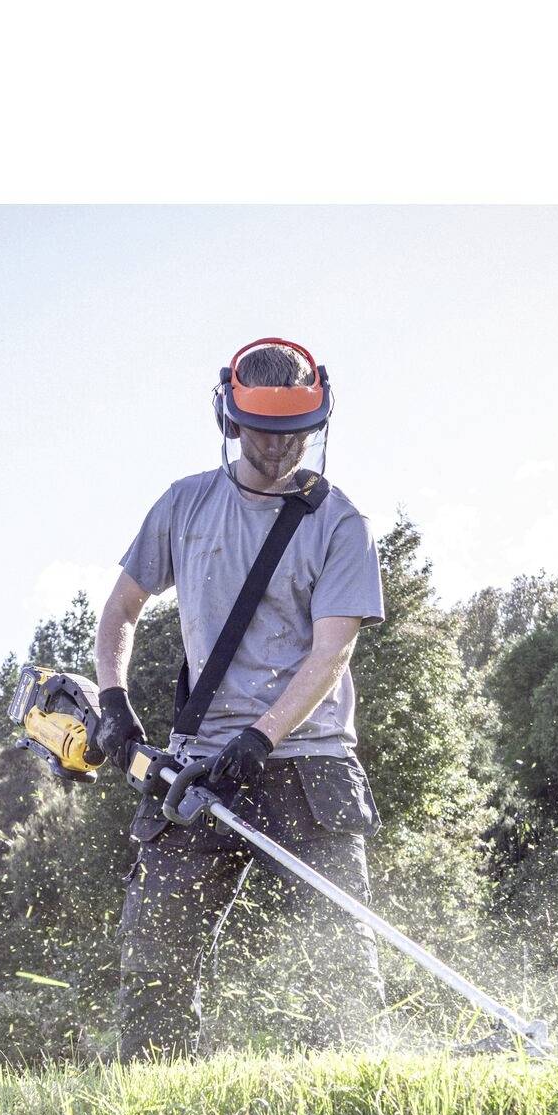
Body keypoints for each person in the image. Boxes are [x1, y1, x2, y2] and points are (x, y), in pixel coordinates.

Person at [93, 337, 387, 1061]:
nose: (280, 448)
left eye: (295, 434)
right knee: (156, 951)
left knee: (339, 960)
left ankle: (360, 1104)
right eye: (262, 431)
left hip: (306, 758)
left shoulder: (340, 523)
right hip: (196, 768)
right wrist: (113, 700)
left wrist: (261, 737)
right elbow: (120, 611)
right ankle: (153, 1108)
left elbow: (332, 650)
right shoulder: (185, 504)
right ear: (228, 418)